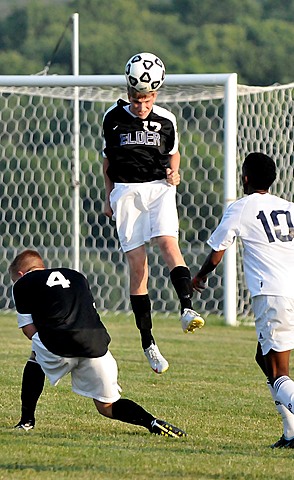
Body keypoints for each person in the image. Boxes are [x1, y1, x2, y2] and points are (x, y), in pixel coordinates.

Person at [9, 249, 186, 438]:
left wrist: (48, 342)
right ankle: (151, 422)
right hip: (96, 345)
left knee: (35, 358)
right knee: (107, 406)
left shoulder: (22, 284)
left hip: (59, 345)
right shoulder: (76, 276)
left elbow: (28, 330)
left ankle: (26, 421)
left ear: (20, 274)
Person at [102, 52, 204, 375]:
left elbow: (174, 157)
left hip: (159, 188)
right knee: (138, 268)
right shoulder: (112, 119)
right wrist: (107, 198)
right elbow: (107, 164)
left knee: (167, 242)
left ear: (155, 95)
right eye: (135, 99)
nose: (140, 106)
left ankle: (187, 309)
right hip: (126, 191)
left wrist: (175, 175)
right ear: (128, 92)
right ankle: (148, 343)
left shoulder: (166, 120)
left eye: (146, 100)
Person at [192, 152, 294, 448]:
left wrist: (200, 277)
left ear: (245, 178)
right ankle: (290, 434)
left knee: (278, 371)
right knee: (264, 359)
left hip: (273, 293)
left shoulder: (241, 208)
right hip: (288, 291)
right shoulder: (288, 207)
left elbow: (217, 251)